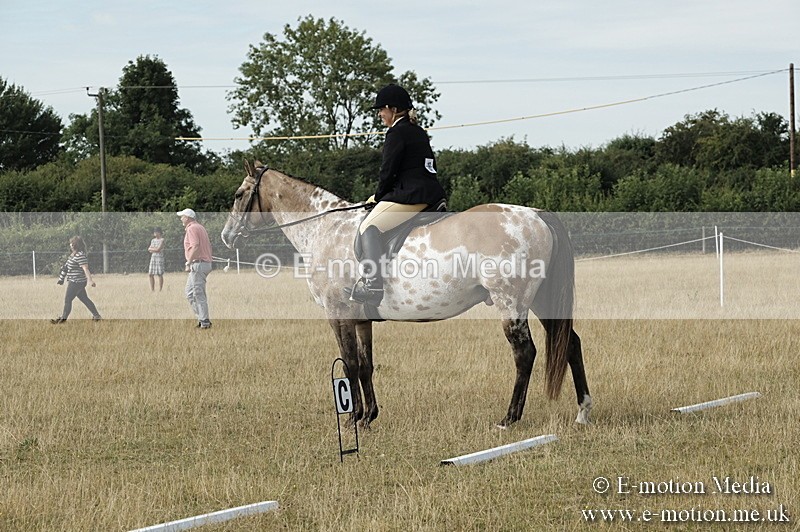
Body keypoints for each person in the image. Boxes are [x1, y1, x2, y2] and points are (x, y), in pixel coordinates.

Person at [347, 83, 446, 306]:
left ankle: (373, 286)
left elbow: (388, 171)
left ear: (392, 109)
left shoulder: (396, 133)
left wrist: (378, 196)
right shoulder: (418, 131)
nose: (380, 115)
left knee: (368, 227)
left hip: (411, 196)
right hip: (432, 193)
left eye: (381, 110)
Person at [51, 236, 101, 323]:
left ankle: (63, 319)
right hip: (74, 281)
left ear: (76, 245)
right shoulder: (73, 255)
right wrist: (61, 278)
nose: (70, 245)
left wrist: (90, 280)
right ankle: (97, 315)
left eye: (72, 243)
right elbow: (66, 267)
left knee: (68, 300)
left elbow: (85, 268)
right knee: (84, 299)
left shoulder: (80, 255)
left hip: (76, 282)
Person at [177, 208, 213, 329]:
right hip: (202, 264)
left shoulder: (191, 228)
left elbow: (195, 246)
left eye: (182, 217)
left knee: (198, 293)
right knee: (190, 293)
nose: (181, 219)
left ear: (187, 218)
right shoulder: (200, 227)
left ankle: (205, 322)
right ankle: (201, 318)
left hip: (198, 264)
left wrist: (189, 262)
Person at [147, 226, 165, 292]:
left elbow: (158, 249)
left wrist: (153, 249)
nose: (155, 233)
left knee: (159, 274)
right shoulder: (153, 240)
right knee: (150, 274)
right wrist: (154, 249)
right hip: (153, 258)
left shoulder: (162, 240)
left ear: (159, 232)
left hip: (159, 258)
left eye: (156, 232)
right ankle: (152, 289)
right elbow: (149, 249)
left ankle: (160, 289)